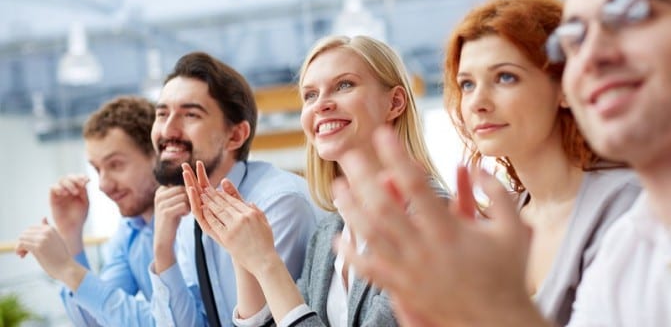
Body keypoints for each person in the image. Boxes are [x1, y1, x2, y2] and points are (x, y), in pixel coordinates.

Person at [333, 0, 671, 327]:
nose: (592, 54)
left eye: (633, 13)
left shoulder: (623, 208)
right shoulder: (636, 239)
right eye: (576, 37)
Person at [183, 35, 448, 327]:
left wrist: (266, 263)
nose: (321, 104)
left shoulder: (432, 216)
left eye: (344, 85)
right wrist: (242, 254)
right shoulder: (329, 233)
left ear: (395, 102)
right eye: (310, 95)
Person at [441, 0, 640, 325]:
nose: (477, 102)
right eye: (467, 84)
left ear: (566, 86)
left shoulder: (629, 204)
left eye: (505, 77)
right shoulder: (500, 221)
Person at [148, 52, 321, 327]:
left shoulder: (277, 204)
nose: (168, 128)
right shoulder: (184, 215)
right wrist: (162, 252)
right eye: (162, 113)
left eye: (190, 114)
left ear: (236, 135)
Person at [16, 96, 159, 326]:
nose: (103, 184)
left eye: (116, 165)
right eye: (96, 169)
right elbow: (97, 321)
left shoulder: (191, 224)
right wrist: (71, 234)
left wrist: (67, 269)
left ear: (157, 156)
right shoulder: (130, 231)